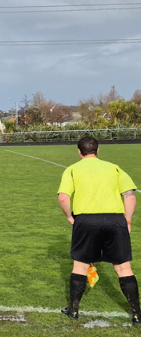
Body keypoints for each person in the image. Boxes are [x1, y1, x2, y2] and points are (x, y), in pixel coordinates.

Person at [57, 137, 139, 324]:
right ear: (97, 150)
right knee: (123, 267)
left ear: (79, 152)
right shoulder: (114, 168)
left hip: (85, 219)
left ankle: (74, 310)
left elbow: (63, 197)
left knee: (80, 265)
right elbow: (130, 197)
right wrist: (127, 220)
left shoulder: (72, 169)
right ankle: (136, 314)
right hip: (115, 219)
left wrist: (70, 217)